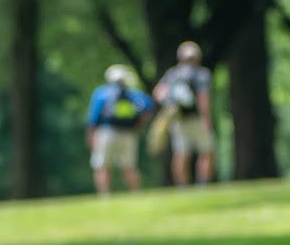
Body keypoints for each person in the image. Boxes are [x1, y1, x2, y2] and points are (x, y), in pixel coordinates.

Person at [154, 40, 216, 186]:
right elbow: (203, 99)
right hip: (196, 119)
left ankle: (182, 187)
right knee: (207, 152)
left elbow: (158, 93)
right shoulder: (201, 74)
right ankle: (203, 185)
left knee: (181, 154)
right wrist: (206, 118)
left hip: (177, 119)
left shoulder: (172, 74)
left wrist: (169, 107)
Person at [85, 64, 153, 196]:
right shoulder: (133, 94)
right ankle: (136, 194)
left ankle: (105, 196)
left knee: (102, 166)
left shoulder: (102, 93)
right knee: (129, 166)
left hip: (106, 133)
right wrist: (139, 126)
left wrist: (90, 137)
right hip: (128, 133)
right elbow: (148, 106)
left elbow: (92, 119)